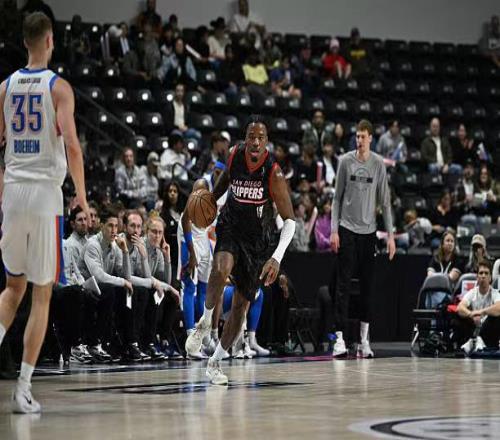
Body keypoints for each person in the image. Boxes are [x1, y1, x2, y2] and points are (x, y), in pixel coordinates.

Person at [0, 12, 88, 413]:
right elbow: (72, 147)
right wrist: (81, 197)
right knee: (41, 295)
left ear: (25, 41)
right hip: (43, 196)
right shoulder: (58, 88)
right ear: (50, 41)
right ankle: (22, 389)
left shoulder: (5, 87)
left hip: (13, 192)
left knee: (11, 289)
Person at [185, 116, 295, 384]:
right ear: (245, 139)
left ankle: (215, 362)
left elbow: (290, 221)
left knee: (240, 307)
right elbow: (224, 183)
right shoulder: (234, 155)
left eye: (261, 138)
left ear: (266, 142)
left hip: (257, 242)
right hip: (231, 226)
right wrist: (209, 203)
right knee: (220, 268)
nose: (255, 142)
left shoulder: (273, 172)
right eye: (251, 137)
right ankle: (204, 323)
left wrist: (276, 258)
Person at [330, 119, 396, 358]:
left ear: (370, 139)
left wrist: (391, 236)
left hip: (369, 232)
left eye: (363, 137)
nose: (359, 140)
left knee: (367, 287)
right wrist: (334, 230)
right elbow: (336, 198)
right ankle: (339, 339)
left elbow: (385, 203)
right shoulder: (345, 161)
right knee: (343, 286)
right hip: (347, 229)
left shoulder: (378, 164)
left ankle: (363, 341)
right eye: (357, 136)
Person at [178, 164, 228, 359]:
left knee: (205, 291)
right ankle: (190, 338)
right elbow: (185, 221)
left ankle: (204, 337)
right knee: (190, 288)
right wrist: (191, 254)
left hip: (204, 240)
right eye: (195, 191)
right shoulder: (197, 193)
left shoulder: (217, 197)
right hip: (189, 240)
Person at [79, 207, 133, 362]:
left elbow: (126, 276)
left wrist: (125, 252)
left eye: (116, 226)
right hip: (84, 287)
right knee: (110, 290)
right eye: (110, 225)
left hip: (101, 288)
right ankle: (95, 343)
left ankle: (129, 343)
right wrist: (123, 282)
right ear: (101, 226)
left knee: (129, 294)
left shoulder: (115, 246)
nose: (114, 230)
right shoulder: (92, 245)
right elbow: (99, 277)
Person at [457, 261, 500, 354]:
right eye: (481, 273)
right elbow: (460, 307)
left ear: (490, 278)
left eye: (486, 273)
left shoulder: (495, 293)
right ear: (477, 277)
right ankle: (473, 341)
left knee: (496, 317)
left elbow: (498, 308)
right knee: (459, 316)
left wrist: (481, 312)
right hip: (474, 326)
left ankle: (476, 342)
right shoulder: (472, 292)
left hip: (487, 330)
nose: (483, 276)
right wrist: (471, 314)